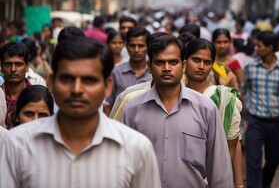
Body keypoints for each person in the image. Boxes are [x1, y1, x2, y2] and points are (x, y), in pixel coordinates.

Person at [0, 37, 161, 187]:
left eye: (89, 80)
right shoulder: (17, 144)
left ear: (107, 86)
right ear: (52, 83)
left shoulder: (136, 149)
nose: (77, 90)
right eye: (67, 79)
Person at [122, 35, 233, 188]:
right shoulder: (132, 110)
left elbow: (219, 168)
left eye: (173, 62)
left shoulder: (206, 109)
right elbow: (123, 166)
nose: (166, 68)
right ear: (149, 66)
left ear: (184, 65)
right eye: (160, 62)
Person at [243, 31, 279, 188]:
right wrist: (247, 106)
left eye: (259, 45)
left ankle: (265, 182)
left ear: (269, 48)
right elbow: (244, 89)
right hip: (255, 120)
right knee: (253, 159)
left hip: (276, 121)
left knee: (274, 159)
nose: (255, 48)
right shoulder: (250, 67)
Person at [185, 38, 245, 187]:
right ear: (185, 61)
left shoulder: (223, 95)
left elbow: (232, 145)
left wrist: (238, 183)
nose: (201, 66)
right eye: (196, 60)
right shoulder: (173, 92)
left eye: (206, 62)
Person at [105, 26, 151, 114]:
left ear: (148, 47)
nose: (136, 50)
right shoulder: (115, 72)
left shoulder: (154, 74)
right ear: (126, 46)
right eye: (132, 46)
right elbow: (108, 103)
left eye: (141, 46)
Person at [0, 42, 32, 129]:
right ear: (1, 67)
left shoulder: (36, 97)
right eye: (8, 64)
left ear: (27, 67)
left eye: (18, 64)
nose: (13, 69)